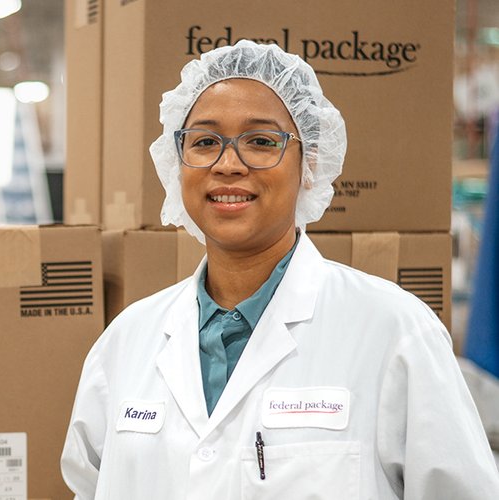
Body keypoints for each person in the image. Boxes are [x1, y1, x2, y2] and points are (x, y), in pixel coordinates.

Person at [61, 40, 499, 499]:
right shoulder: (127, 340)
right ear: (176, 162)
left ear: (309, 163)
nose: (228, 164)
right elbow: (87, 483)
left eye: (261, 141)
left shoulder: (393, 331)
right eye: (205, 141)